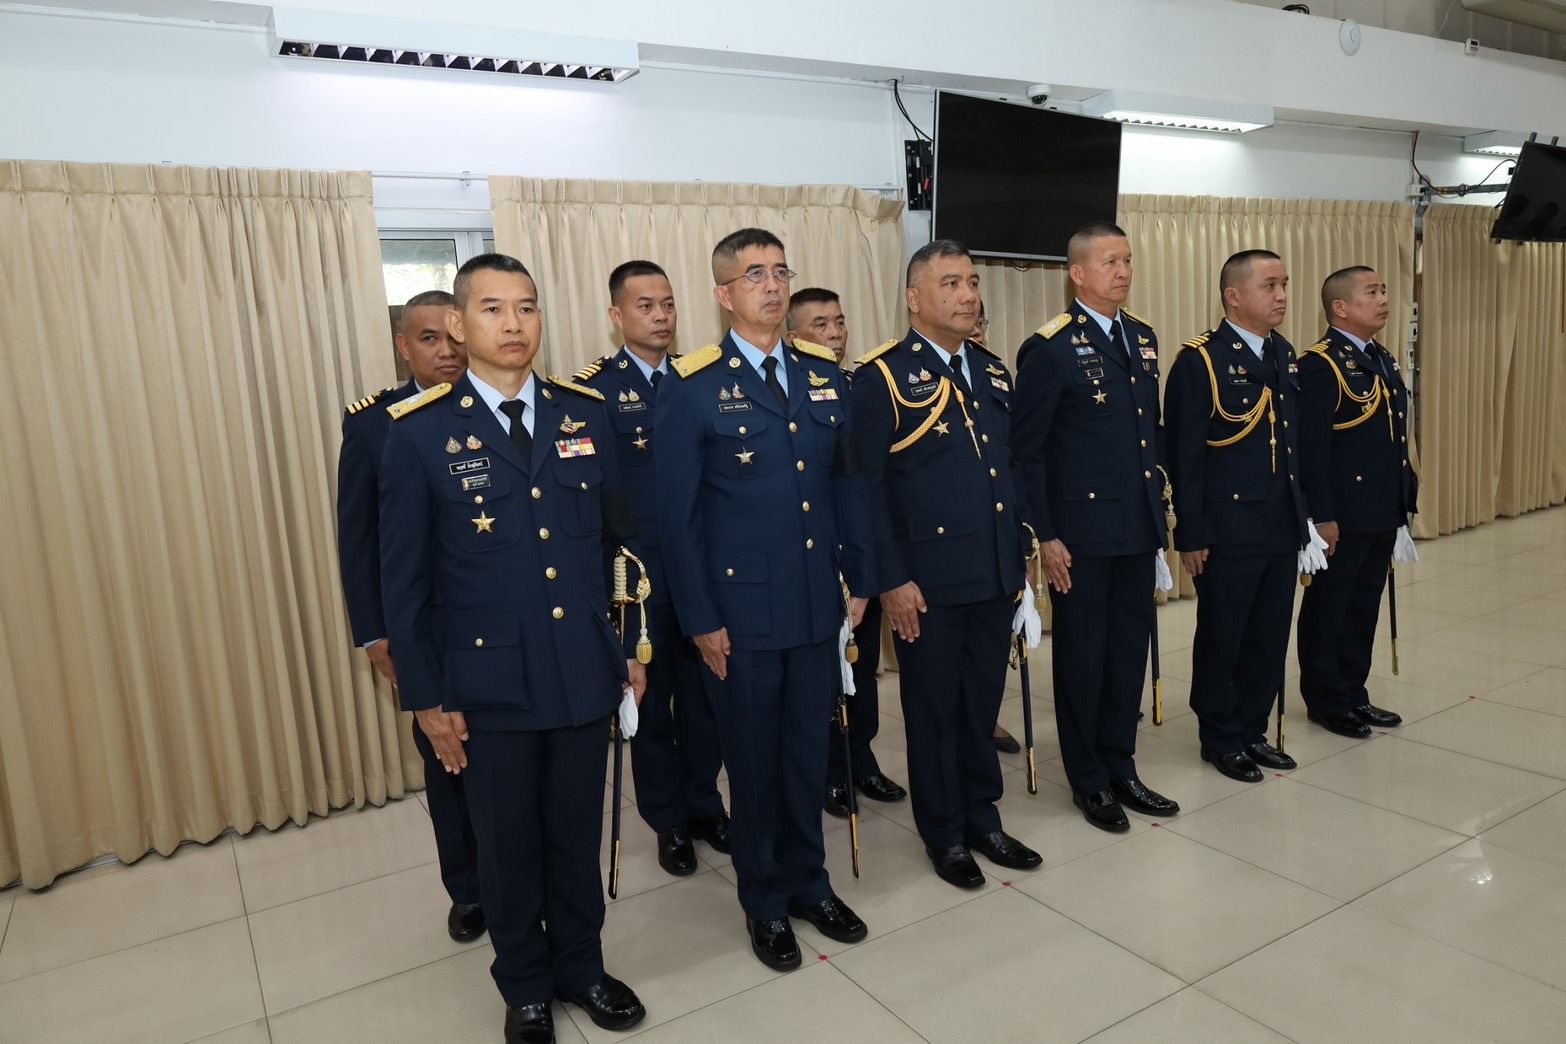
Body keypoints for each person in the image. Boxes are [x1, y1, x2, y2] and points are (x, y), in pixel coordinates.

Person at [379, 254, 647, 1044]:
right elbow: (405, 585)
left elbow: (618, 547)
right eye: (492, 308)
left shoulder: (584, 415)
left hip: (579, 670)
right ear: (459, 325)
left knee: (574, 836)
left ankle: (582, 968)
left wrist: (630, 646)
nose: (513, 324)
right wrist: (427, 698)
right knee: (506, 846)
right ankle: (526, 985)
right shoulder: (418, 434)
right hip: (486, 682)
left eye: (526, 307)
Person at [656, 228, 874, 972]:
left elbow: (848, 484)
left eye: (780, 271)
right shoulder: (690, 386)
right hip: (740, 615)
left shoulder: (822, 373)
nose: (772, 286)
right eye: (754, 275)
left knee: (807, 756)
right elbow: (677, 520)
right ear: (724, 294)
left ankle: (811, 884)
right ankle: (766, 901)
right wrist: (700, 619)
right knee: (752, 765)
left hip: (815, 603)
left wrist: (860, 576)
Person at [850, 239, 1042, 891]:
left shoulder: (990, 371)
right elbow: (866, 491)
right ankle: (945, 834)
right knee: (934, 712)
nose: (968, 295)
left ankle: (983, 817)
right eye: (951, 284)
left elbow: (1008, 469)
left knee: (979, 705)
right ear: (914, 299)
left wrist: (1019, 550)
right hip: (925, 584)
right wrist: (890, 579)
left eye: (972, 282)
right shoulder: (880, 378)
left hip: (991, 570)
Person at [1012, 222, 1182, 833]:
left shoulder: (1142, 336)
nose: (1123, 271)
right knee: (1083, 660)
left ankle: (1121, 765)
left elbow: (1148, 432)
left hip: (1135, 525)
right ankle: (1088, 779)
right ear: (1078, 273)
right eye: (1110, 262)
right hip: (1080, 534)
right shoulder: (1050, 347)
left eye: (1128, 260)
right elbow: (1027, 453)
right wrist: (1045, 534)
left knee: (1127, 653)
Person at [335, 290, 486, 940]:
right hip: (425, 630)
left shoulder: (498, 410)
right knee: (449, 767)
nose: (447, 351)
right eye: (430, 338)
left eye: (455, 336)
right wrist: (375, 632)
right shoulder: (375, 424)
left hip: (497, 622)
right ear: (404, 346)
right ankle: (470, 891)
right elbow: (359, 539)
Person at [574, 260, 731, 877]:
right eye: (645, 306)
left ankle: (705, 803)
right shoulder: (593, 394)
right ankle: (669, 821)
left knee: (707, 701)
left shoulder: (698, 381)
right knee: (653, 705)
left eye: (668, 304)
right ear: (617, 315)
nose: (661, 316)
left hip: (703, 575)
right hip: (637, 584)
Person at [1164, 250, 1311, 784]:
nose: (1282, 295)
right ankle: (1220, 736)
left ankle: (1253, 729)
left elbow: (1290, 445)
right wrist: (1191, 534)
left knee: (1268, 637)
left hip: (1279, 524)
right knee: (1223, 636)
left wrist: (1305, 520)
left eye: (1284, 284)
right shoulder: (1200, 360)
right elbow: (1185, 456)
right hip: (1227, 528)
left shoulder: (1283, 352)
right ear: (1233, 295)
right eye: (1269, 285)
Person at [785, 286, 908, 818]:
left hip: (858, 554)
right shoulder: (789, 392)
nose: (835, 334)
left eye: (839, 322)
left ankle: (862, 759)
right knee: (822, 679)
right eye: (820, 325)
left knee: (861, 666)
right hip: (811, 560)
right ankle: (828, 772)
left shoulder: (858, 386)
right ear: (793, 335)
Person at [1296, 266, 1417, 737]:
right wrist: (1321, 517)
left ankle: (1353, 692)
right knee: (1330, 607)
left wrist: (1401, 504)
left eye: (1384, 290)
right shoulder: (1321, 364)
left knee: (1364, 605)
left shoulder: (1381, 357)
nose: (1383, 299)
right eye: (1372, 292)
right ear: (1340, 307)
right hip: (1343, 514)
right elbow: (1311, 450)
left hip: (1380, 508)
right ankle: (1326, 699)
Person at [969, 301, 1023, 757]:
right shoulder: (898, 377)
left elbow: (1015, 459)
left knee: (989, 658)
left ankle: (986, 721)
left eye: (981, 322)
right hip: (951, 546)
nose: (976, 329)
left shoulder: (996, 375)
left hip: (999, 540)